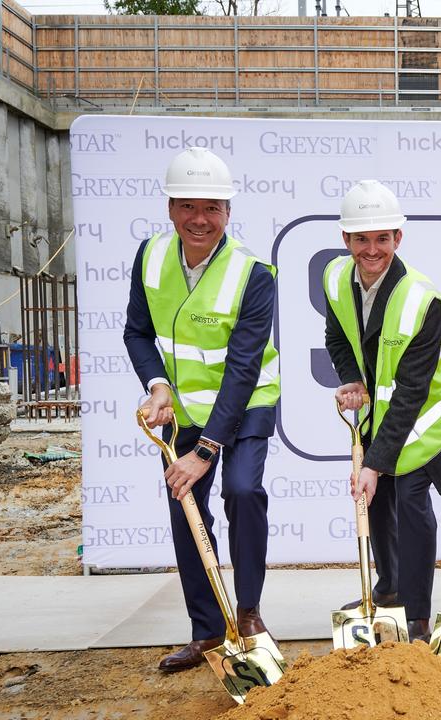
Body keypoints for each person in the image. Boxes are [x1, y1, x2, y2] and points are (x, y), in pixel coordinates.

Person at [123, 146, 281, 672]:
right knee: (185, 511)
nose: (199, 219)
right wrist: (158, 385)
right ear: (170, 209)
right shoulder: (149, 256)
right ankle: (209, 631)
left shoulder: (254, 273)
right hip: (181, 413)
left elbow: (241, 370)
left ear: (228, 213)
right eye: (188, 206)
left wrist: (207, 450)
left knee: (242, 490)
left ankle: (250, 613)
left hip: (246, 405)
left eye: (212, 208)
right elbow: (137, 332)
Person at [324, 179, 441, 643]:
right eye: (361, 239)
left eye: (382, 238)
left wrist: (375, 462)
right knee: (379, 499)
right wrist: (351, 378)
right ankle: (388, 590)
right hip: (380, 414)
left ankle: (419, 616)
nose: (371, 250)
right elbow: (338, 338)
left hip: (427, 420)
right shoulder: (335, 279)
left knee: (407, 499)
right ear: (345, 240)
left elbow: (409, 394)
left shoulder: (422, 301)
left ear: (398, 239)